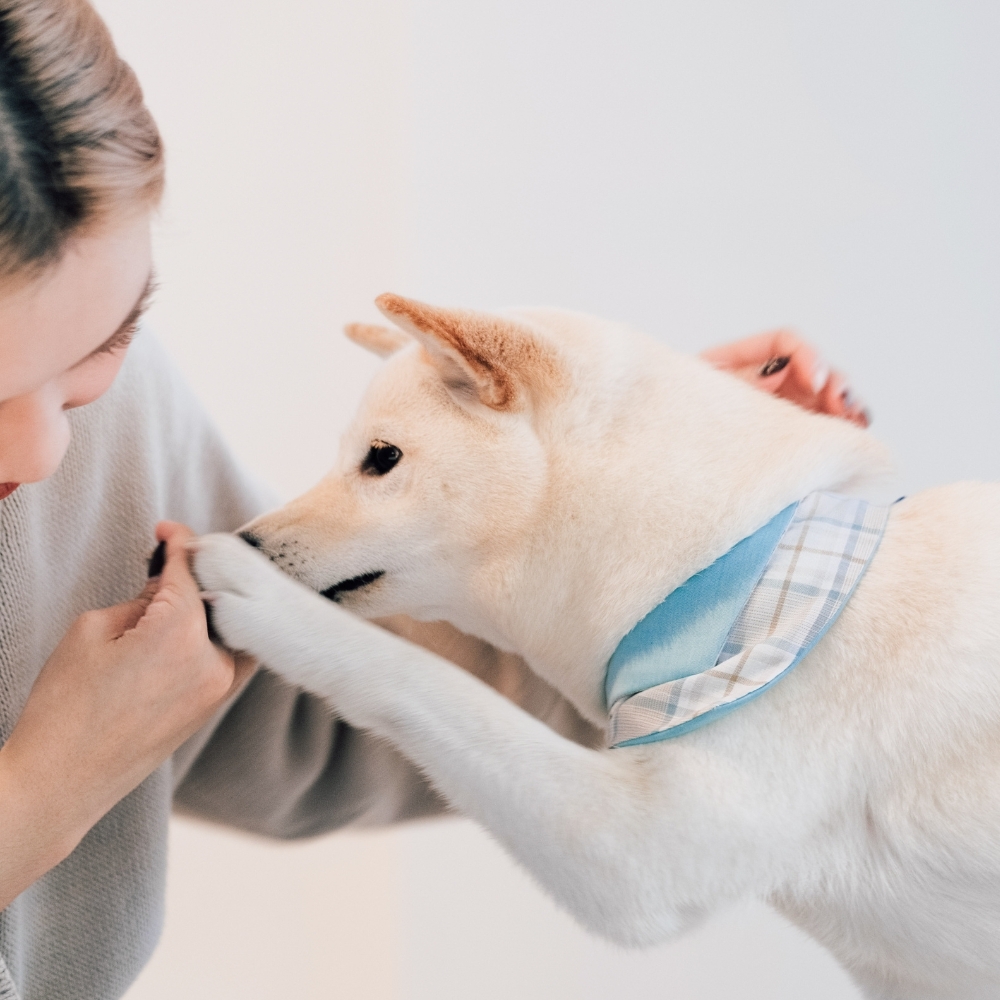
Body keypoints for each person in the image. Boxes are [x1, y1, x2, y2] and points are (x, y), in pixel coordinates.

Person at [0, 1, 868, 997]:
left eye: (102, 343)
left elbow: (294, 707)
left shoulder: (116, 421)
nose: (46, 445)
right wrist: (37, 793)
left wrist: (604, 534)